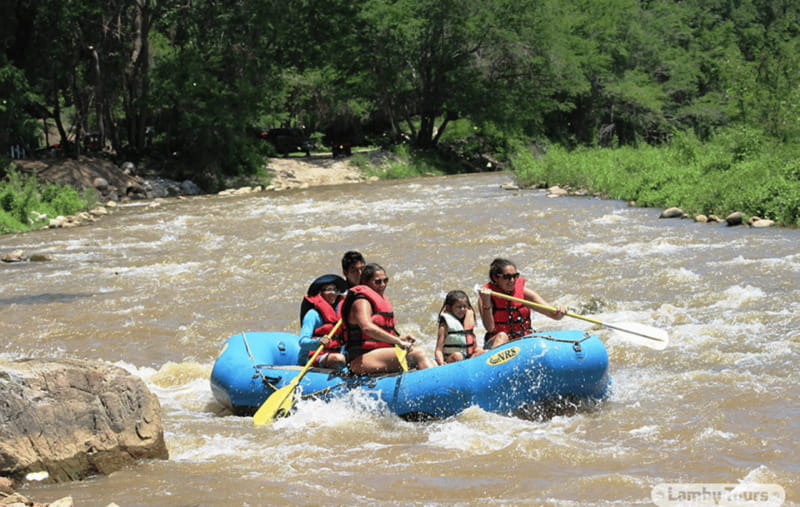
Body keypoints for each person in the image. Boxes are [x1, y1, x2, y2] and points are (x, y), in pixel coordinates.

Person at [341, 263, 436, 375]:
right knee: (418, 354)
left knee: (430, 359)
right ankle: (437, 382)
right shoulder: (361, 302)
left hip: (378, 355)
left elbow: (380, 337)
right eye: (377, 282)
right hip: (360, 360)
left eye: (385, 280)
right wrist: (397, 341)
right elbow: (367, 328)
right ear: (365, 282)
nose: (383, 284)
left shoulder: (380, 300)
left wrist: (400, 338)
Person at [478, 258, 567, 349]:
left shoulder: (524, 293)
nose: (512, 280)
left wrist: (560, 311)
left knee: (542, 335)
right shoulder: (485, 297)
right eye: (507, 277)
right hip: (498, 343)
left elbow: (554, 316)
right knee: (502, 336)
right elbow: (490, 328)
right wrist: (486, 303)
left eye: (515, 276)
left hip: (522, 340)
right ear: (495, 277)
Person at [298, 274, 349, 369]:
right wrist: (318, 342)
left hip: (336, 354)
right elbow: (302, 342)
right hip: (313, 357)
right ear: (320, 293)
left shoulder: (341, 313)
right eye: (328, 289)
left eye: (335, 290)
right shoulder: (312, 314)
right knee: (339, 358)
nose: (333, 293)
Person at [434, 290, 485, 365]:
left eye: (464, 306)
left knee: (482, 351)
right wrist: (441, 363)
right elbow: (438, 350)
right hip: (451, 359)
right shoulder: (444, 326)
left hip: (468, 358)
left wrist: (483, 352)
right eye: (459, 307)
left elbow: (475, 347)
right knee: (457, 356)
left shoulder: (467, 323)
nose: (462, 309)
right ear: (449, 308)